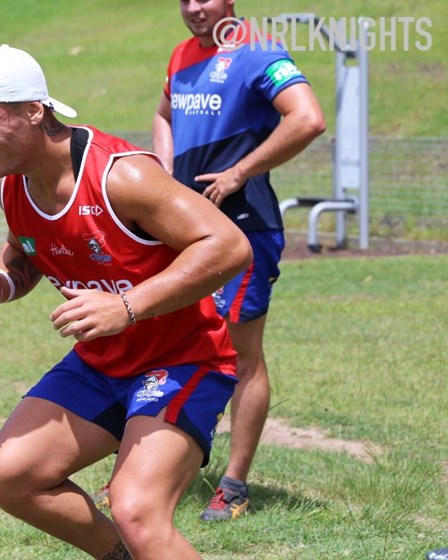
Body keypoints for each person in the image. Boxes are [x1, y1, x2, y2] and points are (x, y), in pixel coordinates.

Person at [0, 44, 252, 559]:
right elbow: (28, 248)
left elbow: (229, 245)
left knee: (136, 510)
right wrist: (5, 281)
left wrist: (128, 305)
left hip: (183, 358)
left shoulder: (121, 174)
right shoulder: (14, 185)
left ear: (33, 111)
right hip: (100, 364)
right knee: (9, 476)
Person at [152, 0, 326, 521]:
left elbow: (309, 118)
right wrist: (162, 177)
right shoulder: (181, 55)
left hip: (244, 232)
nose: (193, 7)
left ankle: (234, 485)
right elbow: (163, 117)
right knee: (168, 344)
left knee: (238, 355)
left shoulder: (259, 49)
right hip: (184, 231)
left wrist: (239, 173)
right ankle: (151, 473)